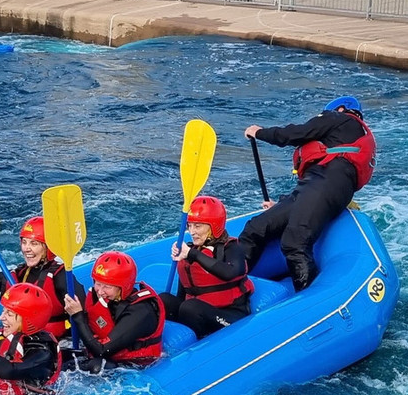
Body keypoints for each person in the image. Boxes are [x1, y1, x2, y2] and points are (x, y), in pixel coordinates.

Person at [240, 95, 376, 291]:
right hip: (320, 186)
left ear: (340, 109)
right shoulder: (345, 135)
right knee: (256, 228)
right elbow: (310, 191)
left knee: (294, 243)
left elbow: (296, 133)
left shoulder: (340, 118)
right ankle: (230, 285)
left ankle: (309, 296)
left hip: (327, 184)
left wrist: (259, 132)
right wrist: (282, 205)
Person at [0, 217, 83, 341]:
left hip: (51, 342)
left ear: (48, 247)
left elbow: (84, 316)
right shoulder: (19, 274)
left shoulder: (61, 277)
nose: (26, 248)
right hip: (17, 336)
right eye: (24, 242)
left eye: (34, 243)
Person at [159, 195, 253, 338]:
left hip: (230, 313)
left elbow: (230, 272)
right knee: (163, 300)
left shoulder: (232, 248)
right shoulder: (192, 251)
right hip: (199, 311)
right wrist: (187, 256)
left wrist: (193, 254)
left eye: (198, 226)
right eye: (189, 225)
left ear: (214, 226)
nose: (192, 232)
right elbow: (183, 293)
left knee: (190, 307)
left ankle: (202, 342)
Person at [62, 251, 164, 371]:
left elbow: (101, 351)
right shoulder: (107, 296)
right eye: (98, 283)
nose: (100, 292)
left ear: (123, 286)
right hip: (104, 351)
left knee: (97, 366)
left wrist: (78, 316)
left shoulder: (140, 312)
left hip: (135, 363)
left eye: (107, 286)